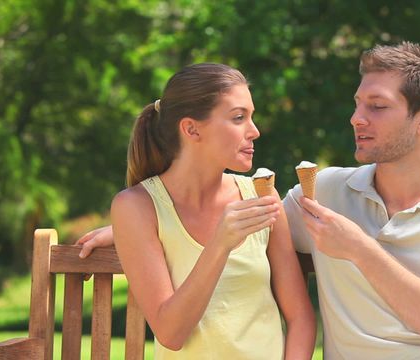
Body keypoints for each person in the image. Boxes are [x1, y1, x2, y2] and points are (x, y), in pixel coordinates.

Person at [78, 42, 420, 359]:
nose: (356, 118)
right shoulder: (325, 194)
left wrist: (358, 247)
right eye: (358, 104)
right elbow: (219, 224)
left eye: (377, 107)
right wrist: (131, 229)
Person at [86, 63, 315, 359]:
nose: (254, 131)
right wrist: (221, 243)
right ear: (191, 129)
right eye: (238, 118)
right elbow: (170, 333)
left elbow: (300, 318)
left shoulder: (260, 196)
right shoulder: (137, 207)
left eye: (251, 117)